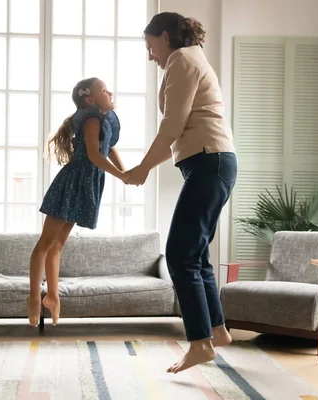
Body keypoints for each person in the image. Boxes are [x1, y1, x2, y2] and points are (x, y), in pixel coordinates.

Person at [126, 12, 238, 373]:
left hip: (209, 162)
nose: (149, 55)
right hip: (211, 163)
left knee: (179, 255)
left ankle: (200, 343)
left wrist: (143, 167)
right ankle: (216, 331)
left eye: (149, 46)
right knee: (197, 254)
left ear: (164, 35)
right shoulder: (190, 59)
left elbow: (173, 123)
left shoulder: (182, 59)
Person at [26, 77, 125, 327]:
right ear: (89, 99)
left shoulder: (103, 121)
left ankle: (53, 296)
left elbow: (109, 148)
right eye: (104, 90)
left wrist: (127, 174)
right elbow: (93, 154)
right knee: (45, 244)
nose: (110, 92)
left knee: (57, 245)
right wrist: (122, 175)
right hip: (73, 182)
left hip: (86, 183)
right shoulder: (91, 119)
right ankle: (33, 299)